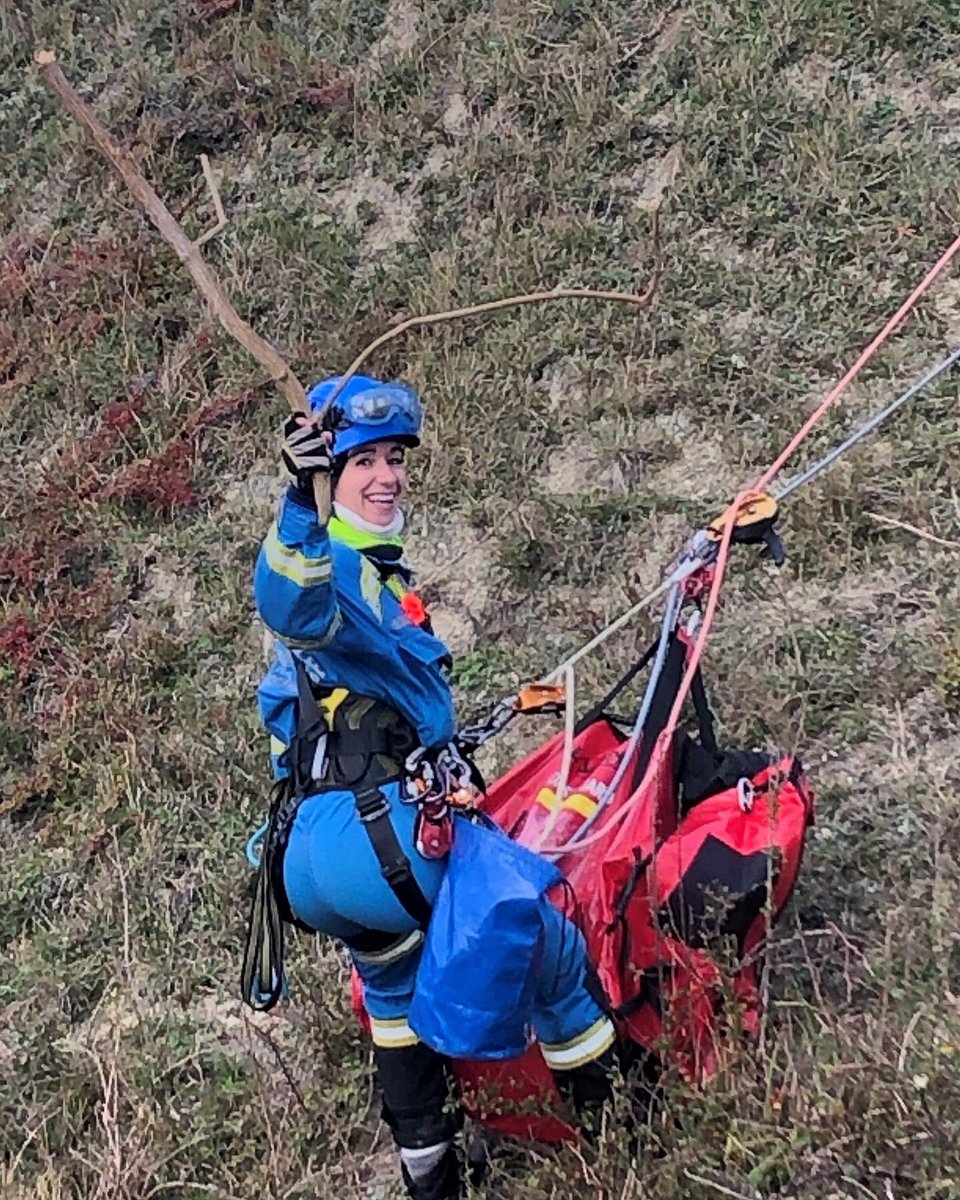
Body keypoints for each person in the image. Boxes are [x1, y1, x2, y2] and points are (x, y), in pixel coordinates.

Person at [248, 374, 617, 1199]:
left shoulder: (369, 574)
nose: (386, 476)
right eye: (362, 463)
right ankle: (627, 1127)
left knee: (392, 990)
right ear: (328, 475)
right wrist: (298, 505)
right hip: (376, 841)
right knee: (545, 941)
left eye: (394, 457)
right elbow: (288, 601)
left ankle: (432, 1177)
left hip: (308, 861)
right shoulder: (334, 567)